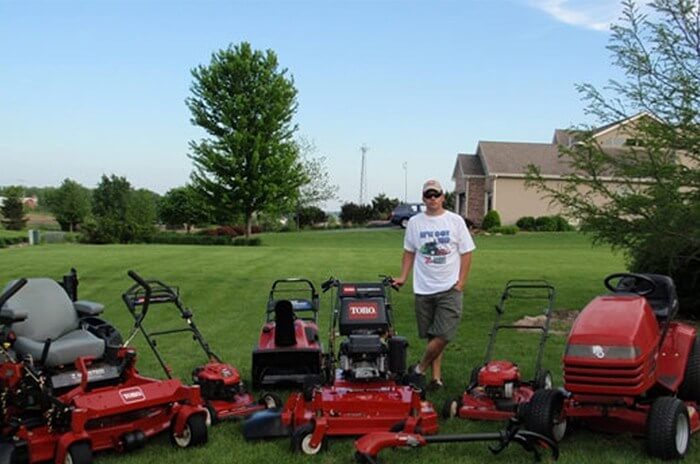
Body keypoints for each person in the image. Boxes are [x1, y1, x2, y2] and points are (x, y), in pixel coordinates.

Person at [393, 179, 475, 390]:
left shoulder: (455, 221)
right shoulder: (415, 223)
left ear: (443, 197)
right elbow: (409, 252)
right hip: (423, 287)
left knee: (443, 334)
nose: (432, 199)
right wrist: (403, 277)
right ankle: (436, 378)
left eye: (436, 195)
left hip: (450, 287)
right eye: (428, 195)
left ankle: (419, 369)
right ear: (423, 198)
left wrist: (461, 283)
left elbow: (467, 253)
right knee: (432, 334)